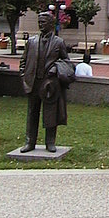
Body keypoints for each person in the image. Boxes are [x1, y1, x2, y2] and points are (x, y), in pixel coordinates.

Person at [19, 11, 75, 153]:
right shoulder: (31, 41)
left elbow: (67, 62)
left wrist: (56, 70)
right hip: (33, 82)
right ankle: (29, 142)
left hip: (49, 84)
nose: (40, 25)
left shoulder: (58, 42)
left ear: (51, 24)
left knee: (50, 113)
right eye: (39, 22)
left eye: (43, 22)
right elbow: (23, 61)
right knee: (32, 113)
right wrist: (24, 75)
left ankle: (50, 142)